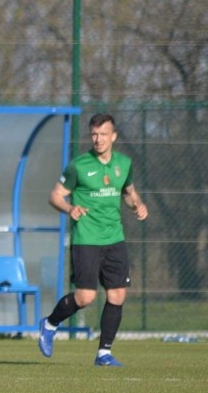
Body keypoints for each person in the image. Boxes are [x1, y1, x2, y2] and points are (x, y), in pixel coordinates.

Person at [38, 113, 148, 367]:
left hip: (115, 238)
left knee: (117, 294)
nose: (97, 139)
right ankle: (50, 323)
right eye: (94, 134)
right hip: (86, 238)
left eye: (103, 134)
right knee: (85, 298)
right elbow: (55, 196)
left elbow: (129, 194)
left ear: (114, 136)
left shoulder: (124, 164)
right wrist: (69, 209)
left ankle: (103, 354)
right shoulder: (78, 166)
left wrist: (138, 206)